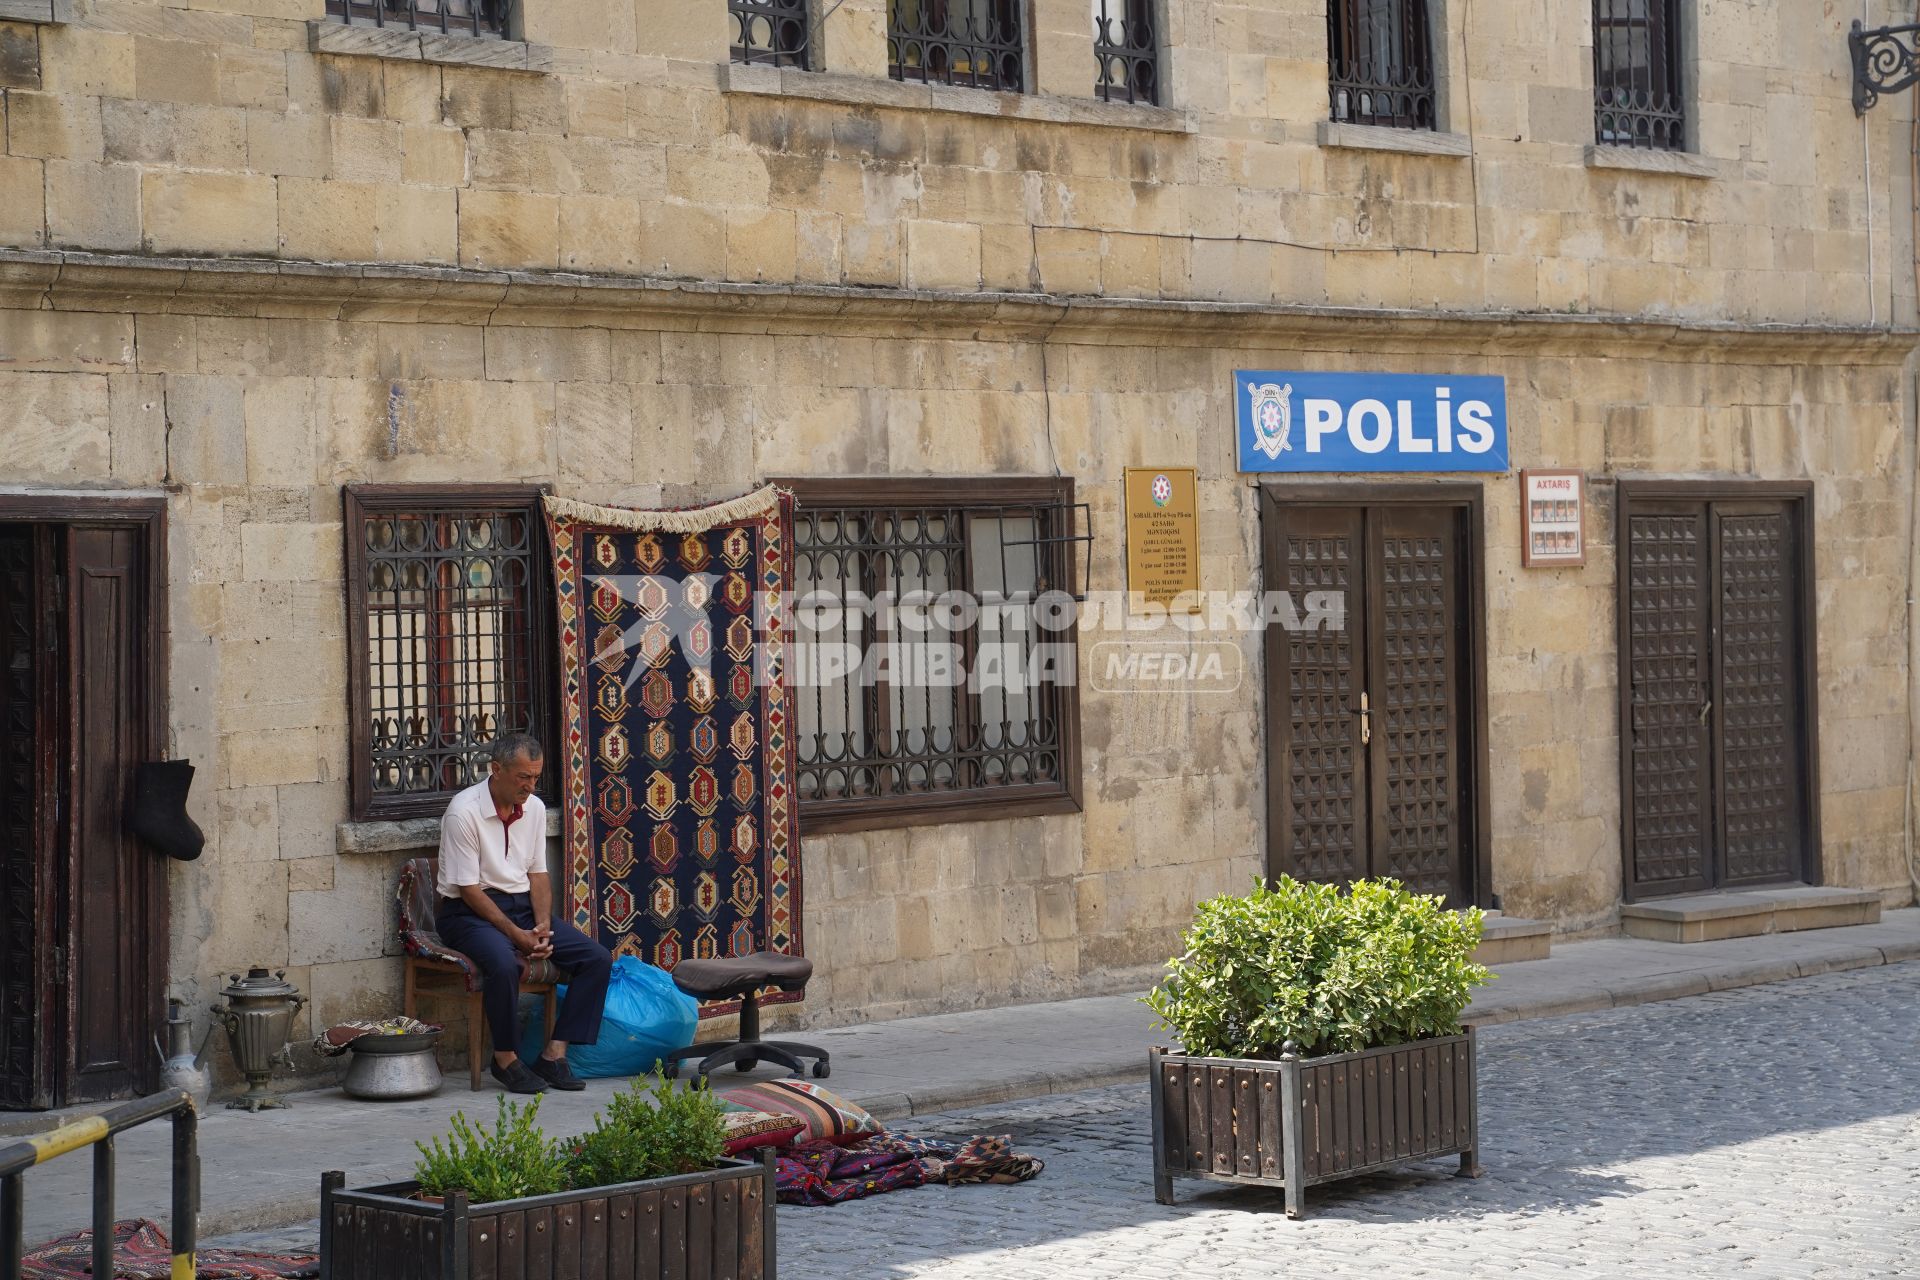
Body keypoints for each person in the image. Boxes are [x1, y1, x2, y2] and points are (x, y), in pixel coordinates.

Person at [435, 732, 612, 1094]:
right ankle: (505, 1059)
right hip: (467, 912)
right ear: (496, 769)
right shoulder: (463, 812)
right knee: (503, 962)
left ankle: (553, 1054)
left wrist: (543, 926)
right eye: (523, 777)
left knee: (596, 958)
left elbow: (538, 873)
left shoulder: (532, 808)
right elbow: (468, 890)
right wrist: (518, 937)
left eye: (535, 777)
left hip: (521, 907)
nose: (530, 786)